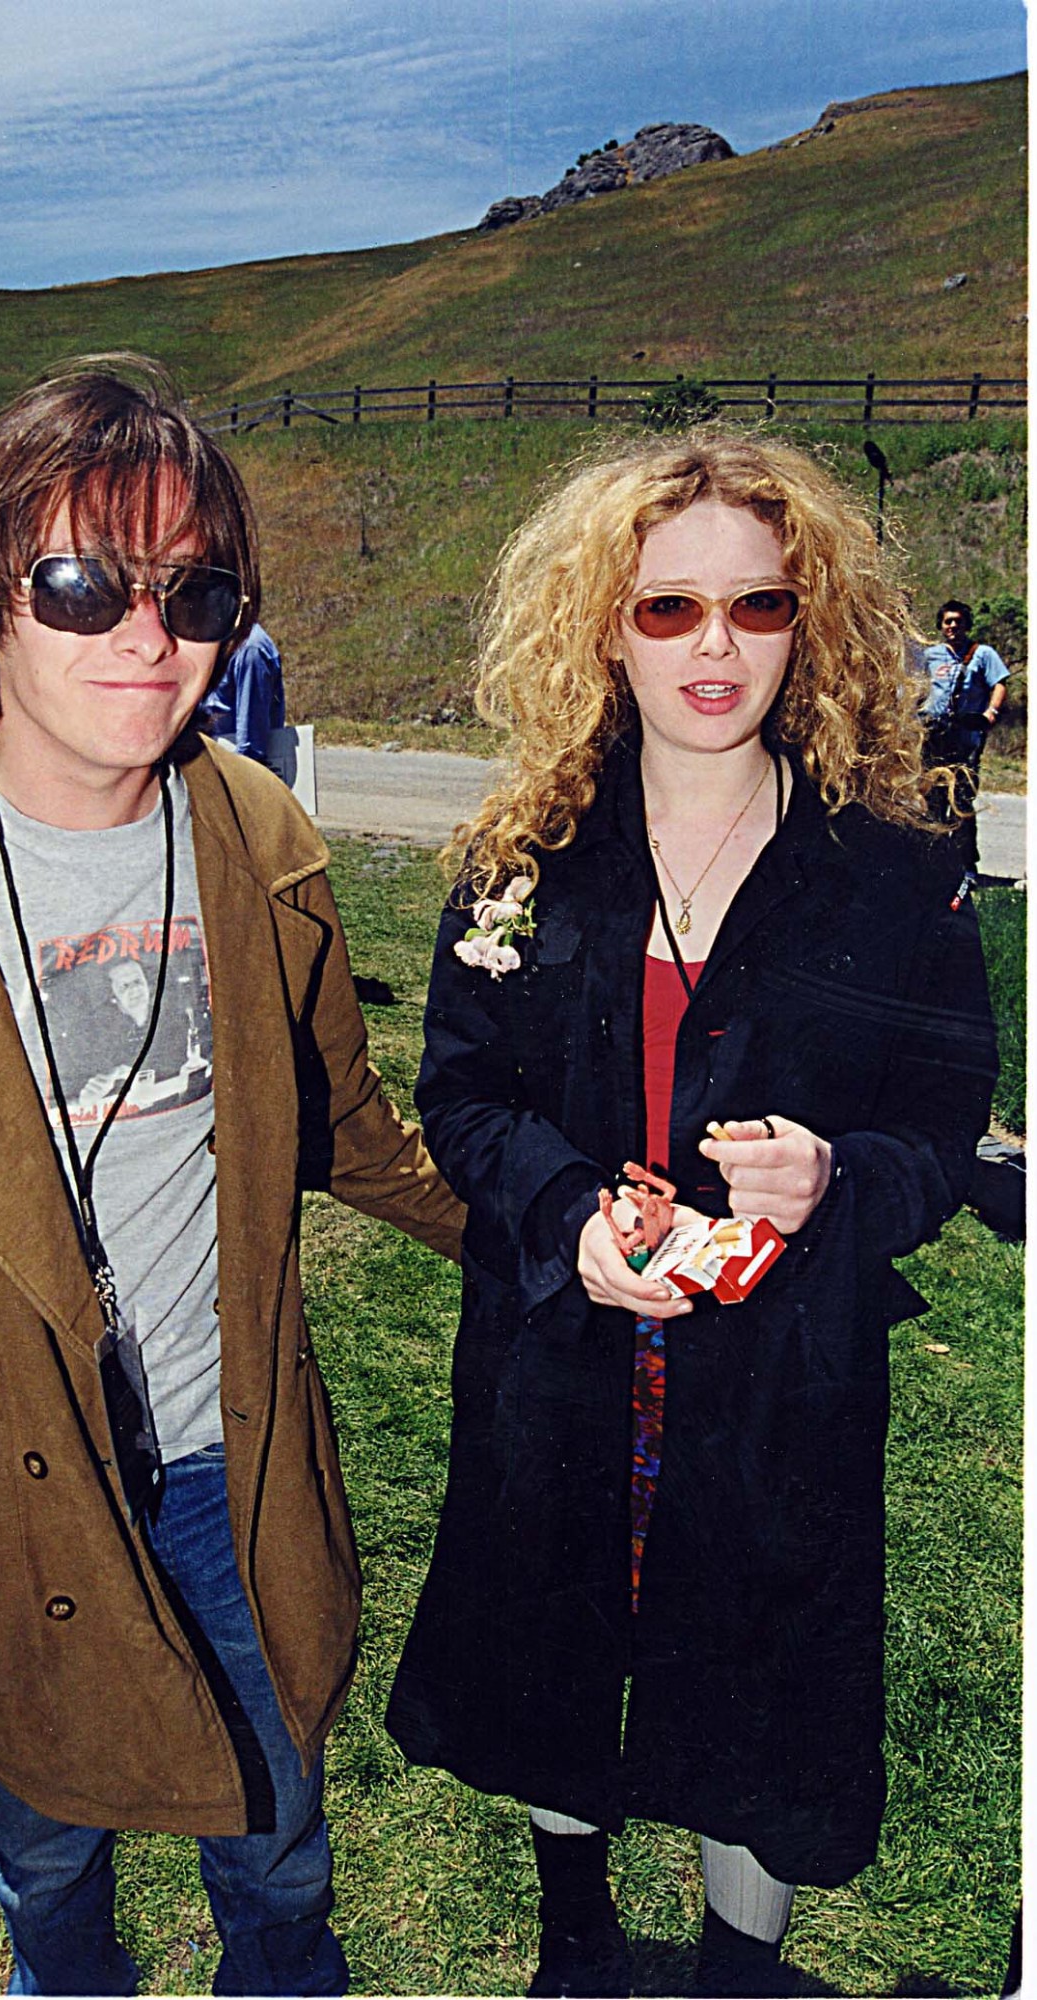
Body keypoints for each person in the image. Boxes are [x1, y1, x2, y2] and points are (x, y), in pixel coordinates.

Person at [0, 355, 464, 1997]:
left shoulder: (262, 844)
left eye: (196, 589)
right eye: (83, 584)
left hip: (228, 1464)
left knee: (276, 1844)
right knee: (45, 1858)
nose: (148, 633)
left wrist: (545, 1224)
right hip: (3, 1489)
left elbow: (347, 1128)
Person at [385, 432, 997, 1997]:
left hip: (775, 1383)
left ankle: (738, 1968)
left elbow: (939, 1126)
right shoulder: (521, 857)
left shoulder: (894, 868)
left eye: (754, 606)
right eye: (666, 610)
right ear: (603, 626)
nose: (712, 647)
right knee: (550, 1646)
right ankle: (572, 1939)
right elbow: (458, 1098)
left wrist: (839, 1178)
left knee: (759, 1679)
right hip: (559, 1363)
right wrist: (566, 1209)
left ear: (811, 623)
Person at [918, 599, 1009, 870]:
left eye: (958, 620)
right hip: (933, 736)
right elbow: (916, 688)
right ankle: (932, 863)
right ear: (941, 625)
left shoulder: (983, 654)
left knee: (961, 801)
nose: (953, 626)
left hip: (965, 739)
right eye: (948, 621)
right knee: (932, 799)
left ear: (967, 624)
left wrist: (990, 712)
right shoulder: (930, 655)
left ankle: (965, 864)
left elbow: (999, 683)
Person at [200, 620, 285, 762]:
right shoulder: (220, 638)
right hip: (209, 753)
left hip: (233, 762)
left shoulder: (250, 650)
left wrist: (236, 779)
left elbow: (250, 743)